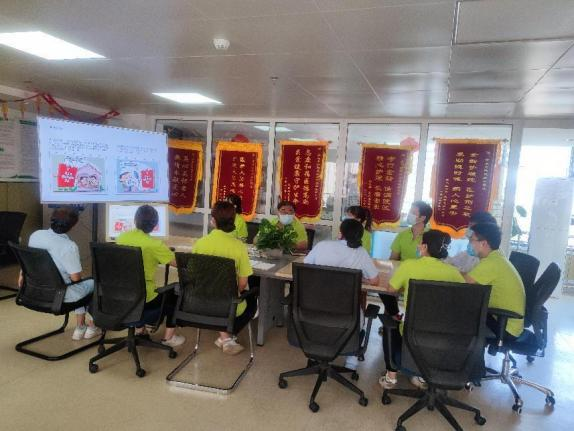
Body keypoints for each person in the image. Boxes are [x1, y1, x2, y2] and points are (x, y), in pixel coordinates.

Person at [380, 229, 465, 390]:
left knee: (391, 323)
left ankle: (391, 377)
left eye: (420, 243)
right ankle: (420, 376)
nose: (418, 246)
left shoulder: (409, 265)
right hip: (444, 333)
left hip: (412, 330)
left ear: (424, 247)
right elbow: (463, 297)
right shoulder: (454, 272)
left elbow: (390, 290)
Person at [304, 219, 380, 371]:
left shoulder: (322, 245)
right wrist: (360, 278)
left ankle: (314, 355)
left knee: (323, 320)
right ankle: (351, 363)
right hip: (347, 312)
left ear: (341, 233)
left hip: (315, 307)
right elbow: (375, 281)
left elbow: (306, 266)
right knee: (358, 319)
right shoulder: (361, 253)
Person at [24, 207, 101, 341]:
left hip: (34, 291)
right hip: (60, 297)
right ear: (73, 225)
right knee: (95, 283)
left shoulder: (36, 235)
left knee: (75, 285)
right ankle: (90, 326)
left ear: (51, 219)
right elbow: (76, 279)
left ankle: (80, 327)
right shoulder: (68, 246)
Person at [192, 201, 257, 355]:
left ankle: (225, 337)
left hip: (201, 301)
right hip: (228, 304)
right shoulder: (238, 246)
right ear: (233, 220)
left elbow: (194, 274)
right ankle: (227, 335)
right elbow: (242, 284)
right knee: (252, 300)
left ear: (213, 220)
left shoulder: (200, 243)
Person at [116, 205, 185, 347]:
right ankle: (169, 338)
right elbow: (178, 263)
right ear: (155, 225)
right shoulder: (154, 245)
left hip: (121, 294)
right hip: (144, 298)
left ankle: (140, 330)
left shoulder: (121, 237)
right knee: (176, 295)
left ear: (135, 220)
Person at [464, 223, 525, 341]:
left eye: (471, 240)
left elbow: (464, 282)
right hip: (508, 322)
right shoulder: (497, 255)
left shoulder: (491, 263)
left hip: (505, 327)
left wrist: (448, 270)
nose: (469, 243)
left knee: (461, 312)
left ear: (483, 243)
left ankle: (468, 351)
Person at [381, 201, 433, 321]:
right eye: (410, 211)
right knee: (384, 287)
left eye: (413, 212)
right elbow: (393, 258)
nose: (409, 214)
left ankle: (411, 320)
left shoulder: (430, 237)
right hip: (402, 272)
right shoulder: (403, 235)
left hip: (421, 276)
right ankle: (393, 316)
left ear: (423, 218)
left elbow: (432, 260)